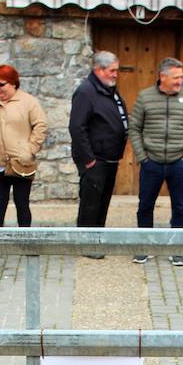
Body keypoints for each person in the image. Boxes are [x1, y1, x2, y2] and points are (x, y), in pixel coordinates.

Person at [129, 57, 183, 268]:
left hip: (179, 163)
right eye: (176, 77)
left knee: (181, 207)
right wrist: (142, 157)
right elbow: (134, 128)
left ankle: (177, 249)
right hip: (151, 162)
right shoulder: (145, 97)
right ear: (162, 77)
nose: (180, 80)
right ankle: (144, 247)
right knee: (145, 205)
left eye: (181, 76)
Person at [0, 64, 47, 228]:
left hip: (21, 162)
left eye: (1, 84)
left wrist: (30, 149)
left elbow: (40, 126)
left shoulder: (28, 102)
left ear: (13, 83)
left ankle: (26, 243)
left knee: (22, 204)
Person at [68, 51, 128, 241]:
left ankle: (97, 239)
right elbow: (77, 127)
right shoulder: (86, 91)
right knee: (90, 204)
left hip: (109, 157)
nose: (115, 74)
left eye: (116, 70)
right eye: (112, 71)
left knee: (102, 202)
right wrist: (89, 159)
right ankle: (86, 242)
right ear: (99, 70)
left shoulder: (109, 90)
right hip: (96, 159)